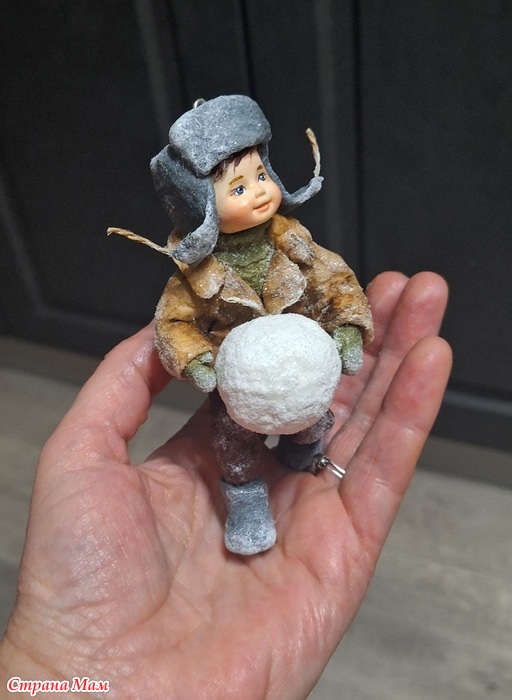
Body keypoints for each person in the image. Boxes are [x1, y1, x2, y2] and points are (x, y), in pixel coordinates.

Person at [0, 270, 451, 699]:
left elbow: (335, 283)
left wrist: (350, 330)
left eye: (258, 185)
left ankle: (300, 451)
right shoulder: (196, 272)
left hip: (307, 382)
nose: (248, 206)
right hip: (234, 392)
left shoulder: (293, 246)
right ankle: (247, 500)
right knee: (235, 449)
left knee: (311, 426)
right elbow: (175, 319)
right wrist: (194, 360)